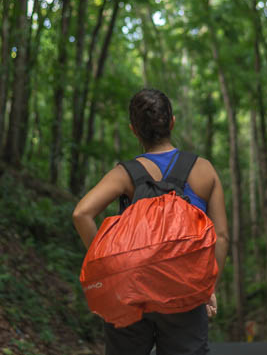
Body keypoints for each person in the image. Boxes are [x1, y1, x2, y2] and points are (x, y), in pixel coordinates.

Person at [72, 88, 229, 355]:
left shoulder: (124, 174)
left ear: (134, 130)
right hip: (185, 291)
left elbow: (81, 213)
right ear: (172, 122)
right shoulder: (204, 170)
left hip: (132, 292)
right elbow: (222, 236)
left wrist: (110, 269)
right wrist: (208, 287)